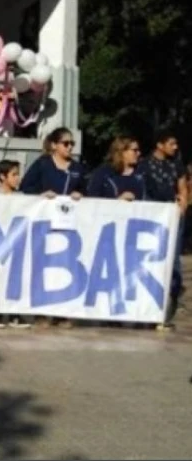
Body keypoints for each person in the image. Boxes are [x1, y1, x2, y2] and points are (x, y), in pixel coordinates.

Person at [19, 127, 85, 329]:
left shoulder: (78, 167)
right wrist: (41, 194)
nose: (70, 147)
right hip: (44, 221)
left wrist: (79, 194)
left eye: (72, 144)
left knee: (64, 266)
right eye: (66, 143)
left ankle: (62, 312)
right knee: (43, 266)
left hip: (68, 223)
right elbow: (25, 186)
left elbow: (86, 189)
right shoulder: (43, 164)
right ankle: (41, 312)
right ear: (54, 145)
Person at [139, 128, 188, 327]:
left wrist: (182, 206)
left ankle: (170, 303)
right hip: (152, 217)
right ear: (159, 145)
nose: (175, 148)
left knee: (173, 260)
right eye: (171, 144)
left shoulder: (176, 164)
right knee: (150, 258)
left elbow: (183, 186)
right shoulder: (145, 165)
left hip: (172, 215)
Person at [0, 160, 31, 329]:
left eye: (18, 174)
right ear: (2, 177)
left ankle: (15, 314)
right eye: (14, 174)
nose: (18, 178)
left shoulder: (21, 197)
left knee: (16, 277)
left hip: (16, 243)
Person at [87, 136, 146, 201]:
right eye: (135, 150)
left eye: (138, 150)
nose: (139, 153)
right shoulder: (103, 174)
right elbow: (93, 199)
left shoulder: (142, 173)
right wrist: (117, 201)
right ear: (122, 151)